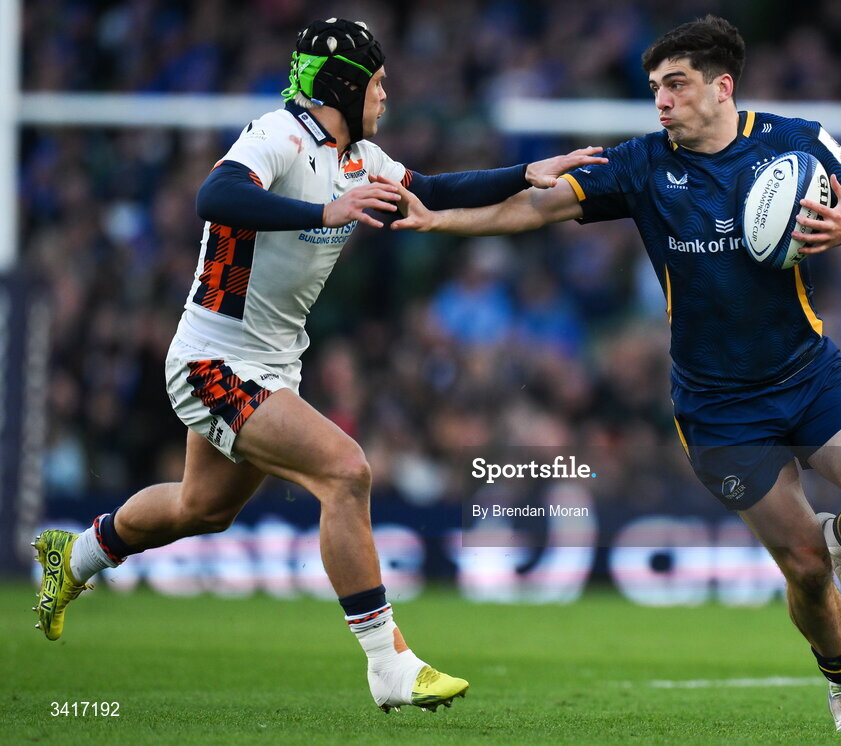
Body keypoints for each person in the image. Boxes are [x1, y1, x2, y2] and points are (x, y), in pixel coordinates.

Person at [32, 17, 606, 714]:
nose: (388, 94)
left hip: (271, 363)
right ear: (345, 84)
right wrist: (325, 207)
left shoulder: (359, 157)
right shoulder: (279, 134)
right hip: (215, 358)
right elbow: (213, 197)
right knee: (347, 470)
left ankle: (75, 555)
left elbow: (436, 187)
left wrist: (525, 172)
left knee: (201, 508)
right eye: (379, 81)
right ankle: (388, 664)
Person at [390, 15, 841, 733]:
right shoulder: (645, 164)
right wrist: (440, 222)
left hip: (809, 375)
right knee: (802, 567)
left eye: (675, 85)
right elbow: (538, 206)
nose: (662, 101)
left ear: (721, 87)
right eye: (655, 88)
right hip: (718, 408)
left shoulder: (795, 140)